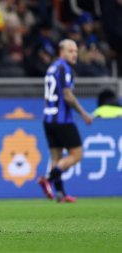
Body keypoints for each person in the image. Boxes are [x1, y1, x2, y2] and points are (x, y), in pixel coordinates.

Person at [38, 39, 93, 203]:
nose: (74, 54)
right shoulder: (64, 68)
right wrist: (83, 113)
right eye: (70, 51)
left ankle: (60, 193)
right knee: (77, 154)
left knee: (56, 158)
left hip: (48, 118)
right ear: (61, 52)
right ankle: (47, 178)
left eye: (76, 51)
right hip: (62, 120)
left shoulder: (52, 68)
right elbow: (67, 95)